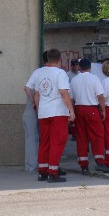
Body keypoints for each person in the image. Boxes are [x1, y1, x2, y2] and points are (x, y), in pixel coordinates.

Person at [34, 48, 75, 183]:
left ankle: (42, 172)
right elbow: (63, 93)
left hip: (43, 112)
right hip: (57, 112)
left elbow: (37, 94)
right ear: (60, 60)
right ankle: (53, 172)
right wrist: (71, 111)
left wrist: (40, 109)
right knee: (58, 141)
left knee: (44, 142)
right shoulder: (60, 73)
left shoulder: (39, 73)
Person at [70, 58, 109, 175]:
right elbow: (100, 96)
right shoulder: (94, 78)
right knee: (97, 136)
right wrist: (103, 110)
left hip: (79, 109)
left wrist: (72, 112)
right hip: (92, 110)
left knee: (81, 138)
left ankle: (83, 166)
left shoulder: (74, 80)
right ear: (90, 67)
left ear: (79, 67)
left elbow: (71, 99)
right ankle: (100, 163)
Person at [22, 51, 48, 172]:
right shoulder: (41, 72)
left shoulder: (38, 72)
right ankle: (33, 166)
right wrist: (34, 103)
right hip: (35, 112)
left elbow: (27, 88)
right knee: (34, 139)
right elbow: (27, 88)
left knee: (32, 139)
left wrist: (33, 102)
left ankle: (32, 166)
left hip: (36, 111)